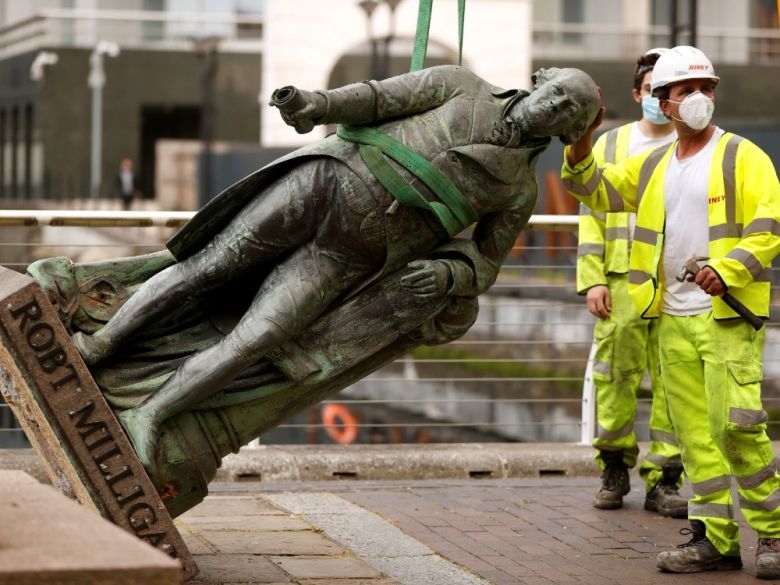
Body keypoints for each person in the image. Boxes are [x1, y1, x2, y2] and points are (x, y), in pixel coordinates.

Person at [66, 64, 601, 472]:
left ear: (569, 128)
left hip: (348, 257)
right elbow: (376, 99)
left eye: (566, 110)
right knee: (209, 266)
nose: (551, 106)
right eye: (555, 92)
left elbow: (486, 264)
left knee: (259, 338)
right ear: (539, 79)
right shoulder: (461, 84)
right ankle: (100, 345)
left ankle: (151, 414)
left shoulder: (518, 192)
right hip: (323, 184)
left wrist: (449, 275)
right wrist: (316, 105)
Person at [562, 46, 780, 578]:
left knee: (737, 427)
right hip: (670, 319)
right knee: (695, 439)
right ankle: (715, 540)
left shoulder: (743, 156)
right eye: (685, 91)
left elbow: (768, 226)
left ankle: (773, 537)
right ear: (662, 101)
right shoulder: (654, 164)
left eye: (706, 88)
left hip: (725, 315)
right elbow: (592, 188)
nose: (698, 98)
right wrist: (583, 134)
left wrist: (727, 271)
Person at [577, 49, 686, 517]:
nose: (657, 101)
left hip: (674, 281)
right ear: (638, 93)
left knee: (671, 382)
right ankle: (614, 466)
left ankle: (663, 478)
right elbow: (592, 214)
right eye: (650, 91)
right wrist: (593, 280)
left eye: (665, 92)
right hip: (621, 280)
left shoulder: (692, 145)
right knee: (614, 378)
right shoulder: (611, 145)